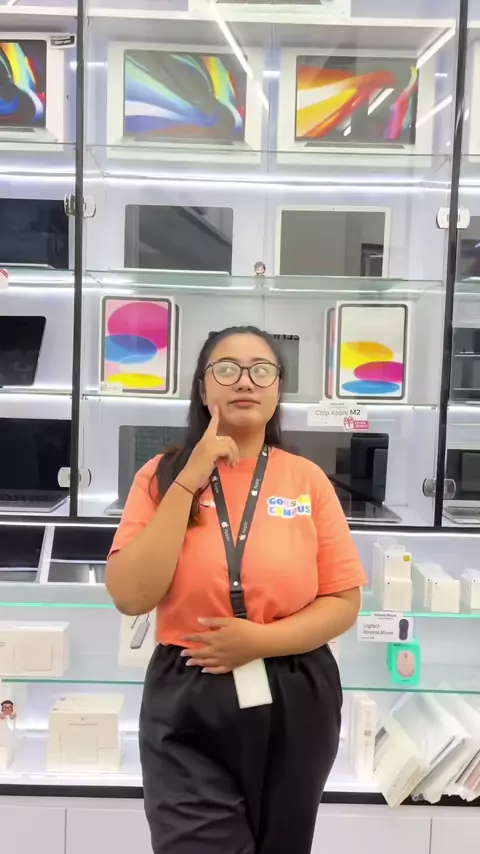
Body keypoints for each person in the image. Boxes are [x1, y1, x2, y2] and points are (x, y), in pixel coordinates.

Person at [106, 325, 367, 854]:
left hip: (294, 687)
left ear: (277, 389)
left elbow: (344, 601)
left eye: (260, 370)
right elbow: (131, 596)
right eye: (226, 369)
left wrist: (259, 641)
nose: (244, 381)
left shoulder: (307, 479)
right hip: (190, 691)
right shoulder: (160, 476)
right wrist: (189, 480)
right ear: (203, 389)